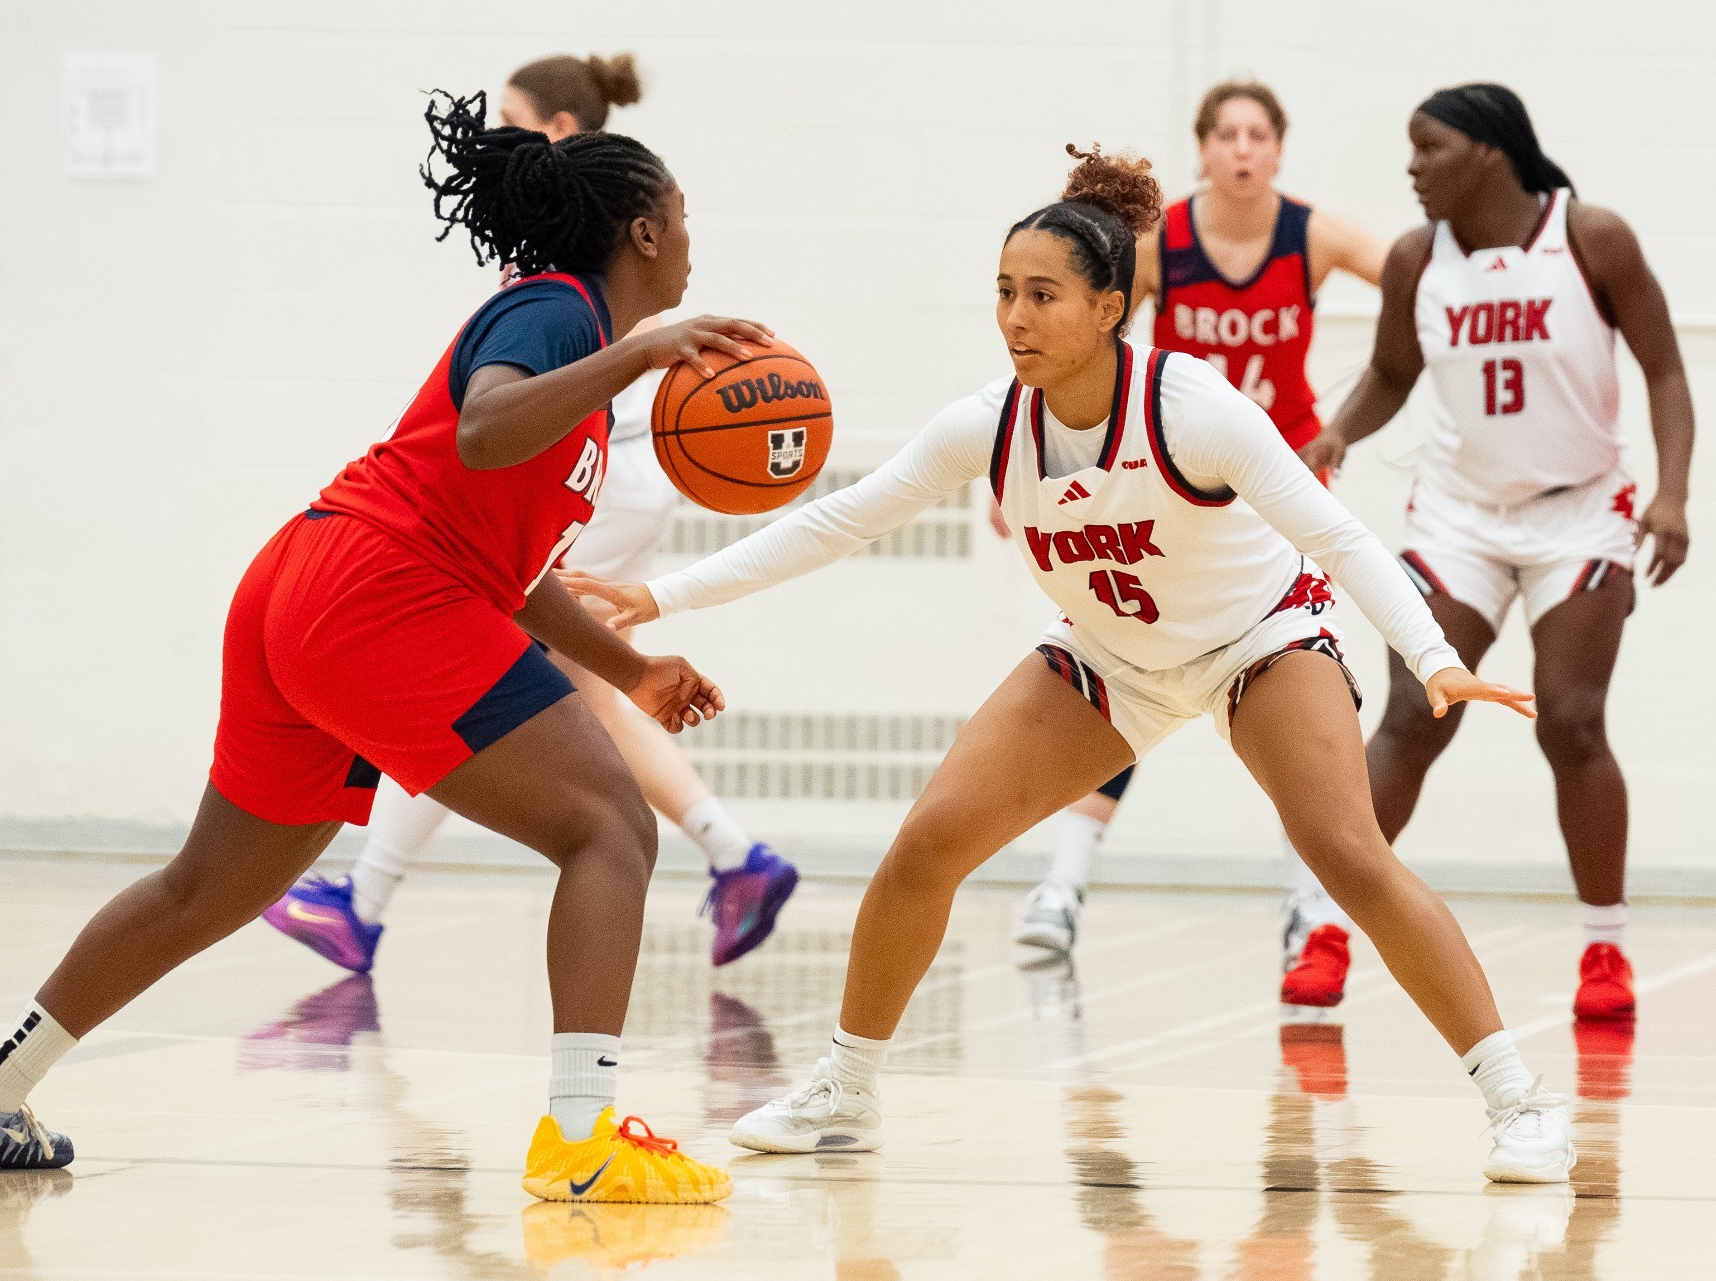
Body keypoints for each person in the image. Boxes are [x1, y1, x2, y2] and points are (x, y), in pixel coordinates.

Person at [570, 145, 1576, 1183]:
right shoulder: (989, 421)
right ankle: (846, 1089)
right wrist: (661, 596)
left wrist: (1432, 655)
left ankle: (1521, 1103)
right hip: (1109, 656)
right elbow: (838, 520)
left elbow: (1338, 535)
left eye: (1041, 295)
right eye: (1004, 292)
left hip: (1258, 638)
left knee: (1347, 853)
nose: (1014, 317)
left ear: (1108, 307)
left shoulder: (1192, 408)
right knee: (927, 845)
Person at [0, 91, 763, 1205]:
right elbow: (485, 425)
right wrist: (639, 356)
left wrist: (633, 669)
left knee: (208, 887)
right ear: (644, 231)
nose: (693, 242)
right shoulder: (558, 310)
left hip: (313, 586)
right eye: (684, 217)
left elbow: (508, 571)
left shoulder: (582, 366)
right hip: (376, 592)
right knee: (610, 828)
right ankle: (581, 1138)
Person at [263, 53, 797, 978]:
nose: (498, 133)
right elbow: (499, 420)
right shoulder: (564, 280)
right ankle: (732, 851)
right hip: (575, 485)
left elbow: (506, 439)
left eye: (514, 116)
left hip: (598, 478)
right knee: (553, 700)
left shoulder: (591, 268)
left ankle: (367, 892)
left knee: (501, 694)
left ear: (559, 130)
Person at [1300, 83, 1694, 1023]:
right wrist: (1340, 430)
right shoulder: (1415, 259)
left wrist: (1673, 493)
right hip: (1458, 517)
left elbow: (1666, 368)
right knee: (1414, 713)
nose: (1410, 167)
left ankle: (1605, 947)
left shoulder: (1591, 237)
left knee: (1572, 720)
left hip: (1579, 512)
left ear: (1488, 151)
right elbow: (1392, 370)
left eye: (1427, 147)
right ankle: (1322, 926)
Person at [1007, 81, 1386, 1013]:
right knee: (1126, 656)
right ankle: (1063, 883)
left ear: (1278, 148)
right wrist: (1032, 460)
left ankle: (1307, 904)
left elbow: (1418, 284)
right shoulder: (1158, 244)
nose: (1242, 149)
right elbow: (1081, 342)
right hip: (1174, 483)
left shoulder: (1314, 236)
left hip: (1280, 484)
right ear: (1204, 148)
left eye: (1258, 133)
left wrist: (1380, 390)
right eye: (1226, 134)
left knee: (1302, 695)